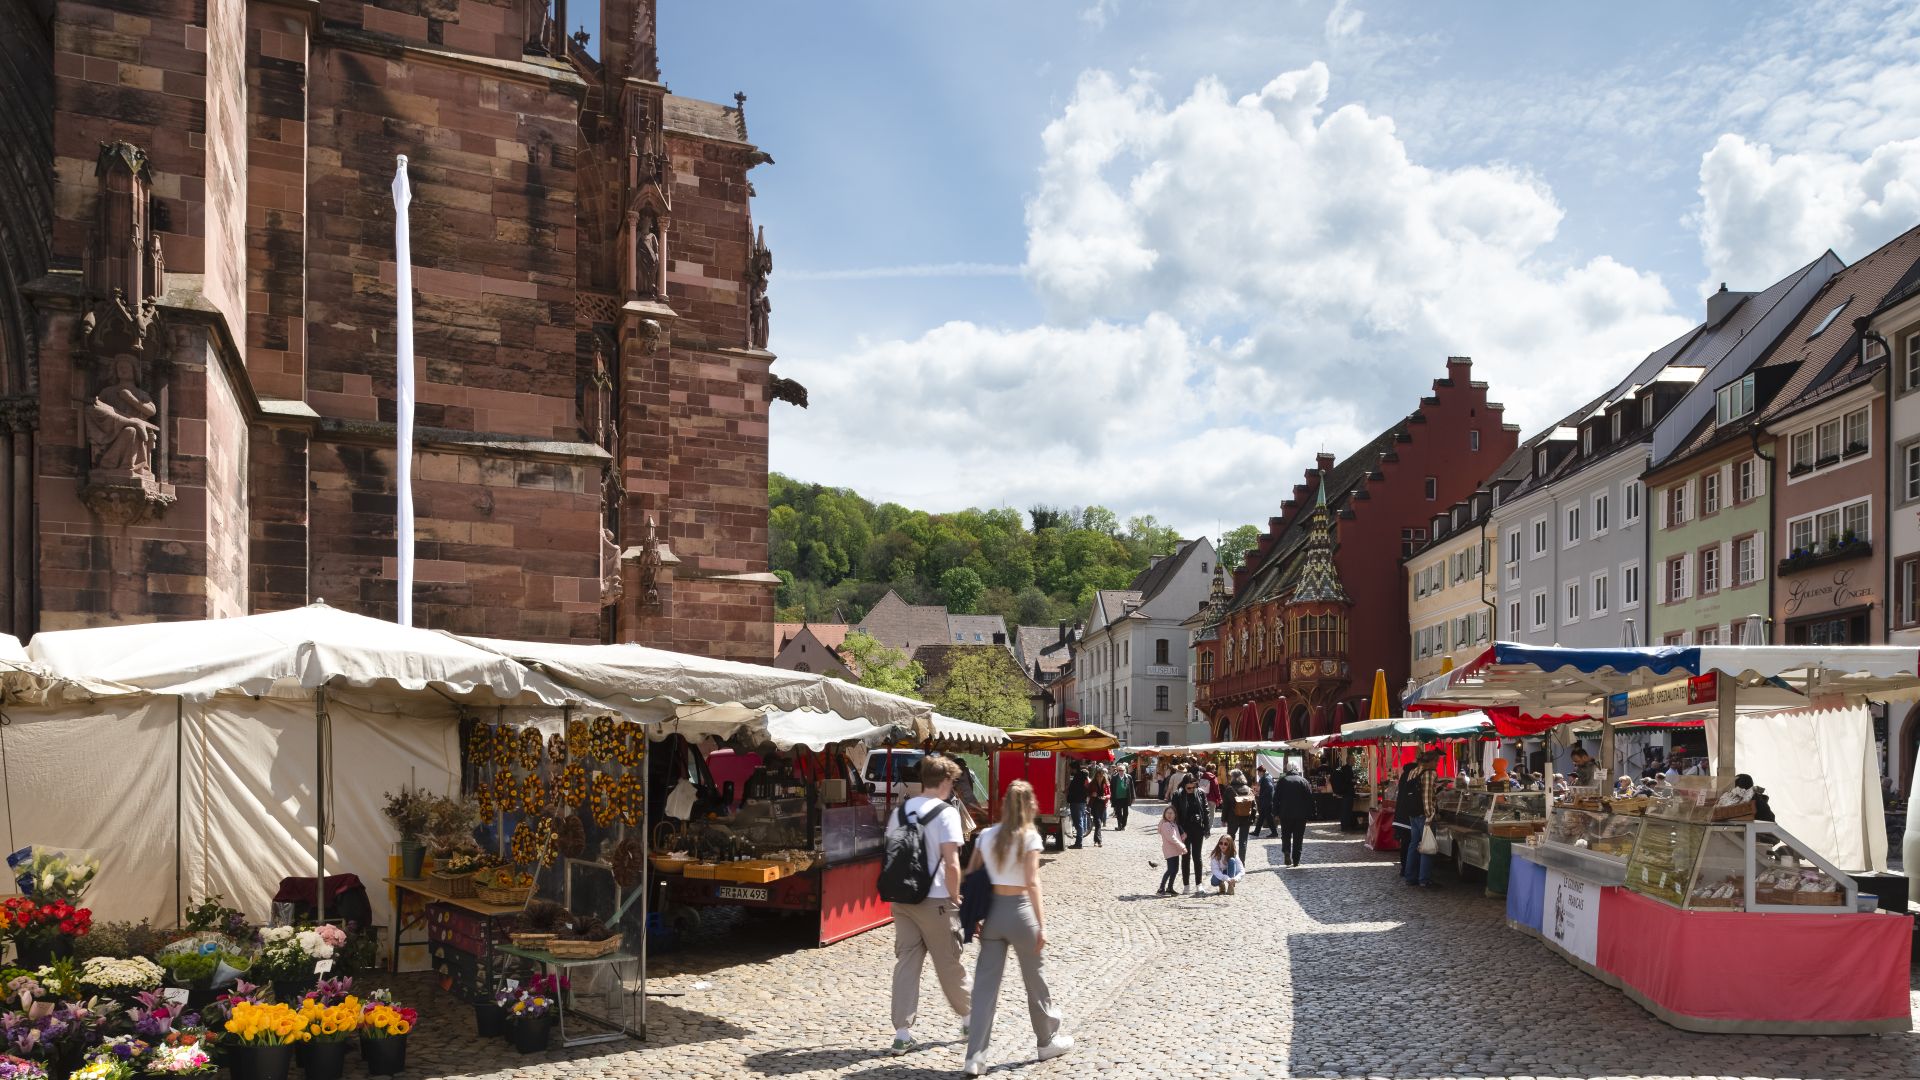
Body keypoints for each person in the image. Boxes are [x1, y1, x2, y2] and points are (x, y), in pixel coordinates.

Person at [961, 780, 1072, 1074]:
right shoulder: (1029, 837)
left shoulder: (986, 835)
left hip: (993, 915)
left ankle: (975, 1057)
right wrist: (1041, 925)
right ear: (1028, 805)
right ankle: (1046, 1041)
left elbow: (971, 874)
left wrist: (974, 914)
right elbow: (1032, 882)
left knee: (985, 989)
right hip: (1020, 913)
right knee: (1036, 982)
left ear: (1004, 804)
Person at [887, 756, 971, 1054]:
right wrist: (955, 896)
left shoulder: (899, 812)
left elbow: (891, 853)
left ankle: (902, 1033)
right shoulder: (946, 813)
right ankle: (970, 1019)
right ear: (946, 780)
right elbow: (952, 863)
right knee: (948, 962)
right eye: (953, 781)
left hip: (902, 899)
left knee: (907, 962)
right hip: (935, 900)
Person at [1400, 750, 1441, 888]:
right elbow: (1427, 797)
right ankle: (1424, 879)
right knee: (1426, 846)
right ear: (1430, 761)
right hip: (1424, 815)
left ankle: (1410, 877)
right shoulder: (1429, 773)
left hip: (1412, 813)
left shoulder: (1413, 771)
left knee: (1413, 844)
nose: (1437, 764)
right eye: (1436, 761)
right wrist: (1430, 816)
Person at [1171, 776, 1211, 894]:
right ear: (1184, 785)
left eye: (1194, 787)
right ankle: (1186, 885)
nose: (1191, 790)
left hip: (1198, 829)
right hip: (1184, 829)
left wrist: (1207, 827)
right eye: (1189, 788)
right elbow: (1174, 814)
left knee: (1197, 857)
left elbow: (1206, 810)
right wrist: (1179, 830)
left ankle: (1199, 884)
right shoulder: (1177, 795)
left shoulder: (1200, 793)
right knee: (1185, 857)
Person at [1275, 760, 1315, 868]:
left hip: (1285, 813)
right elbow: (1310, 799)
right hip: (1300, 815)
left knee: (1286, 835)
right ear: (1297, 769)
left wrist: (1276, 812)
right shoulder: (1303, 781)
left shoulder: (1282, 781)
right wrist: (1311, 813)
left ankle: (1286, 851)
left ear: (1287, 769)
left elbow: (1276, 798)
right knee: (1298, 837)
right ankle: (1296, 859)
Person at [1222, 768, 1255, 858]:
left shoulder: (1229, 789)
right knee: (1243, 841)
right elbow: (1253, 805)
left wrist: (1223, 819)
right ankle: (1242, 862)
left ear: (1233, 777)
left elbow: (1225, 806)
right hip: (1246, 818)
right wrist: (1252, 818)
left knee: (1230, 840)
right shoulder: (1248, 789)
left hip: (1233, 818)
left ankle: (1231, 860)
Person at [1155, 805, 1186, 896]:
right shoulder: (1166, 824)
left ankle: (1170, 888)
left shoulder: (1173, 824)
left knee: (1175, 870)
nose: (1169, 815)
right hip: (1169, 850)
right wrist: (1182, 846)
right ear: (1164, 814)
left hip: (1175, 850)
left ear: (1175, 815)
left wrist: (1183, 837)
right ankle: (1161, 888)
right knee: (1170, 869)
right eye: (1167, 813)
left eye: (1171, 813)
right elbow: (1171, 837)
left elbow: (1176, 836)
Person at [1065, 763, 1091, 849]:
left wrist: (1068, 791)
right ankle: (1079, 842)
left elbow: (1074, 790)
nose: (1070, 770)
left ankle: (1079, 843)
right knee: (1079, 821)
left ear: (1074, 769)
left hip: (1076, 802)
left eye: (1070, 768)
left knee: (1078, 822)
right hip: (1081, 801)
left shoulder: (1078, 777)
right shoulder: (1082, 776)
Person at [1331, 755, 1358, 831]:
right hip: (1348, 792)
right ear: (1349, 761)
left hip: (1344, 792)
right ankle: (1345, 826)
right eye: (1353, 760)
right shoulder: (1348, 769)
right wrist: (1354, 781)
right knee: (1347, 810)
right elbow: (1349, 780)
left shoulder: (1343, 768)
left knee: (1345, 810)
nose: (1354, 761)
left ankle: (1345, 825)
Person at [1087, 765, 1111, 847]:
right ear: (1096, 776)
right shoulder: (1092, 783)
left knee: (1098, 823)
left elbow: (1109, 794)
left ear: (1103, 776)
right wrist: (1092, 794)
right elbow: (1087, 792)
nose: (1099, 778)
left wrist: (1106, 797)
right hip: (1094, 804)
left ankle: (1096, 840)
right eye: (1098, 776)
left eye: (1101, 776)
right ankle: (1099, 841)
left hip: (1102, 804)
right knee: (1098, 822)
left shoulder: (1106, 784)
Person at [1256, 766, 1278, 838]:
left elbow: (1270, 788)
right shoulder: (1267, 777)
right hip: (1267, 800)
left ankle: (1274, 832)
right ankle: (1256, 831)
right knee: (1261, 816)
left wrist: (1261, 794)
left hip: (1267, 801)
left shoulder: (1266, 778)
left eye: (1258, 772)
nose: (1258, 774)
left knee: (1269, 817)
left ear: (1262, 772)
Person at [1110, 766, 1135, 830]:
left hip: (1126, 798)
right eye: (1120, 770)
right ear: (1118, 771)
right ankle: (1119, 825)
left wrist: (1133, 797)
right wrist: (1111, 798)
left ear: (1125, 770)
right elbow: (1111, 788)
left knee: (1126, 813)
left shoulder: (1128, 777)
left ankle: (1123, 825)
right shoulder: (1114, 777)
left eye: (1122, 770)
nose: (1121, 772)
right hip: (1117, 798)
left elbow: (1132, 787)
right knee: (1118, 813)